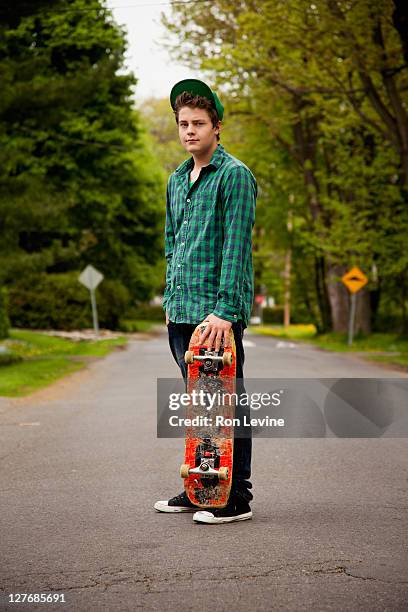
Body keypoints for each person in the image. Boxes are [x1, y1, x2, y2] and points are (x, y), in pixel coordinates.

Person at [154, 79, 257, 524]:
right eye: (183, 123)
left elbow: (236, 247)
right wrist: (169, 296)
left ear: (217, 126)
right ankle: (202, 486)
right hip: (181, 310)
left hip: (215, 314)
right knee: (201, 405)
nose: (190, 130)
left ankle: (237, 497)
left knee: (227, 401)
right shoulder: (178, 178)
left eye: (198, 123)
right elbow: (171, 243)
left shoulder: (234, 175)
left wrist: (225, 311)